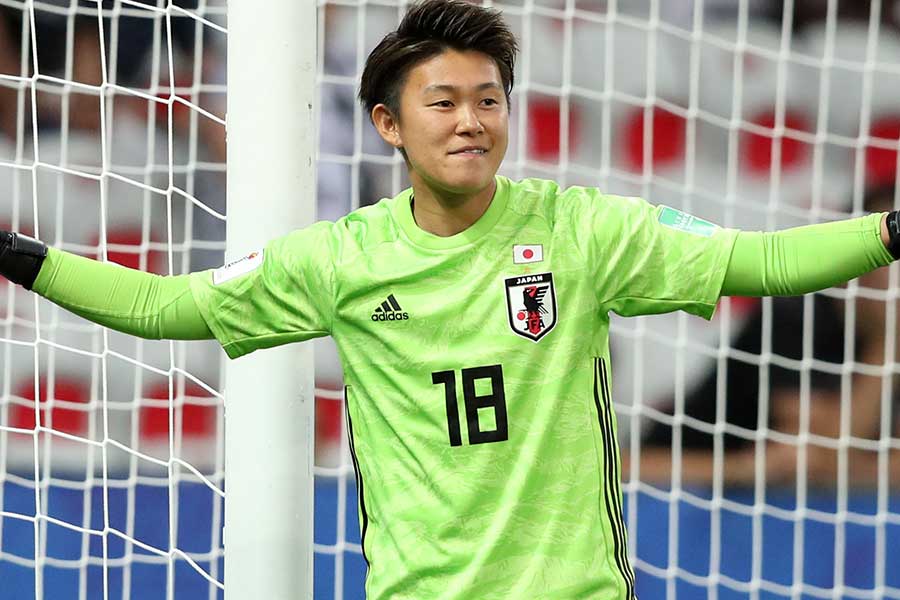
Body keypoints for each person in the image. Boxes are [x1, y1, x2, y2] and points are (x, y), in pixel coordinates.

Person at [0, 1, 898, 597]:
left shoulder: (581, 230)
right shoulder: (344, 258)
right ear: (388, 123)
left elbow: (762, 260)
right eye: (443, 102)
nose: (471, 119)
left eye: (488, 99)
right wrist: (14, 252)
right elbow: (167, 310)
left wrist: (888, 233)